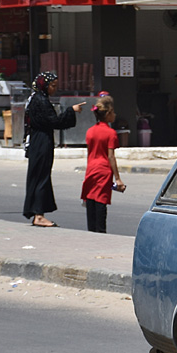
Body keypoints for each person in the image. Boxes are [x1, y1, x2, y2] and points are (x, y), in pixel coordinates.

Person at [22, 71, 85, 228]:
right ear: (45, 85)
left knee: (39, 176)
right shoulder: (41, 101)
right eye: (52, 86)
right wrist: (72, 110)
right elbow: (55, 122)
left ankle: (38, 213)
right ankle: (38, 214)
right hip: (41, 142)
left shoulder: (35, 99)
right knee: (41, 177)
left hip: (38, 141)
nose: (54, 89)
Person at [81, 96, 126, 233]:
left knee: (90, 199)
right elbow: (111, 156)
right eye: (113, 112)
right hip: (103, 170)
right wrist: (117, 178)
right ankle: (100, 232)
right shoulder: (111, 133)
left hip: (91, 168)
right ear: (107, 114)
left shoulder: (90, 131)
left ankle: (91, 230)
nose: (115, 115)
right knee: (101, 201)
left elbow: (90, 153)